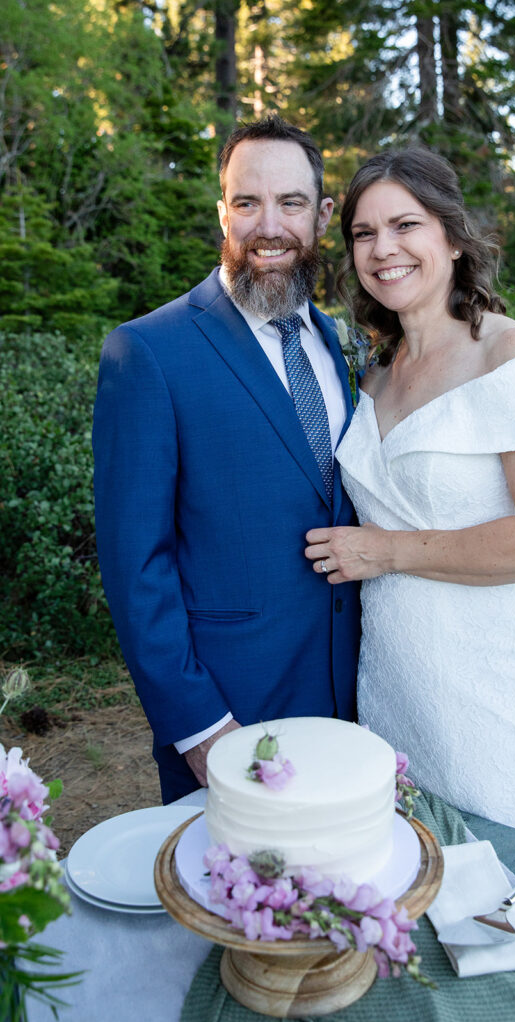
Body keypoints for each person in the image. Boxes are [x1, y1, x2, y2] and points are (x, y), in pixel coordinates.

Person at [304, 148, 515, 846]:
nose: (383, 249)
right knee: (398, 881)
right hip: (392, 679)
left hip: (488, 684)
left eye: (405, 225)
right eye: (363, 233)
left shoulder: (512, 358)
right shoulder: (373, 374)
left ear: (453, 238)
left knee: (488, 897)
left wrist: (386, 551)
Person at [93, 116, 360, 803]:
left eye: (290, 203)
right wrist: (200, 728)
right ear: (222, 212)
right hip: (229, 710)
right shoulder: (148, 351)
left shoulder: (337, 343)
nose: (267, 225)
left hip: (352, 700)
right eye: (247, 202)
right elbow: (135, 565)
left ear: (322, 215)